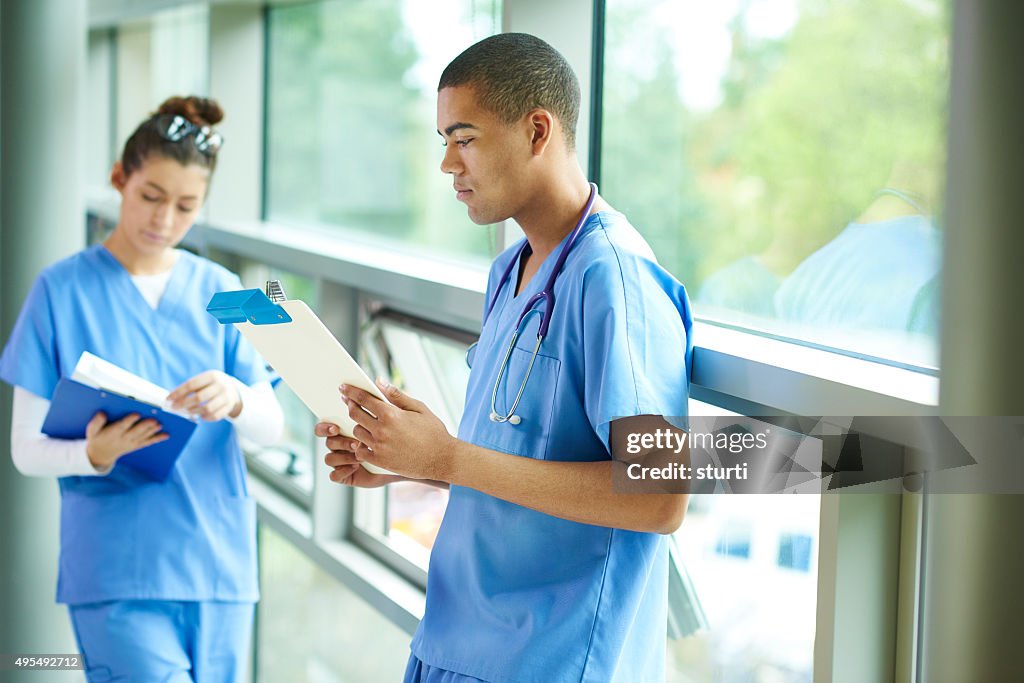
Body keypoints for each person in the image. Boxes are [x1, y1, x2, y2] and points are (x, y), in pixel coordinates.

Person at [318, 34, 693, 682]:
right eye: (442, 141)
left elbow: (660, 496)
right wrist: (413, 459)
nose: (446, 166)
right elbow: (523, 455)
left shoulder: (616, 280)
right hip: (454, 637)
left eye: (463, 139)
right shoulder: (509, 270)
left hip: (546, 658)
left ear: (537, 131)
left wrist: (447, 458)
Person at [0, 96, 283, 682]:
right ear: (118, 180)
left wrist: (235, 397)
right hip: (114, 572)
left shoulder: (226, 289)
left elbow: (273, 428)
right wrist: (92, 453)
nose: (165, 220)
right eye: (151, 197)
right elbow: (25, 450)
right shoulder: (59, 290)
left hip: (218, 564)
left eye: (186, 207)